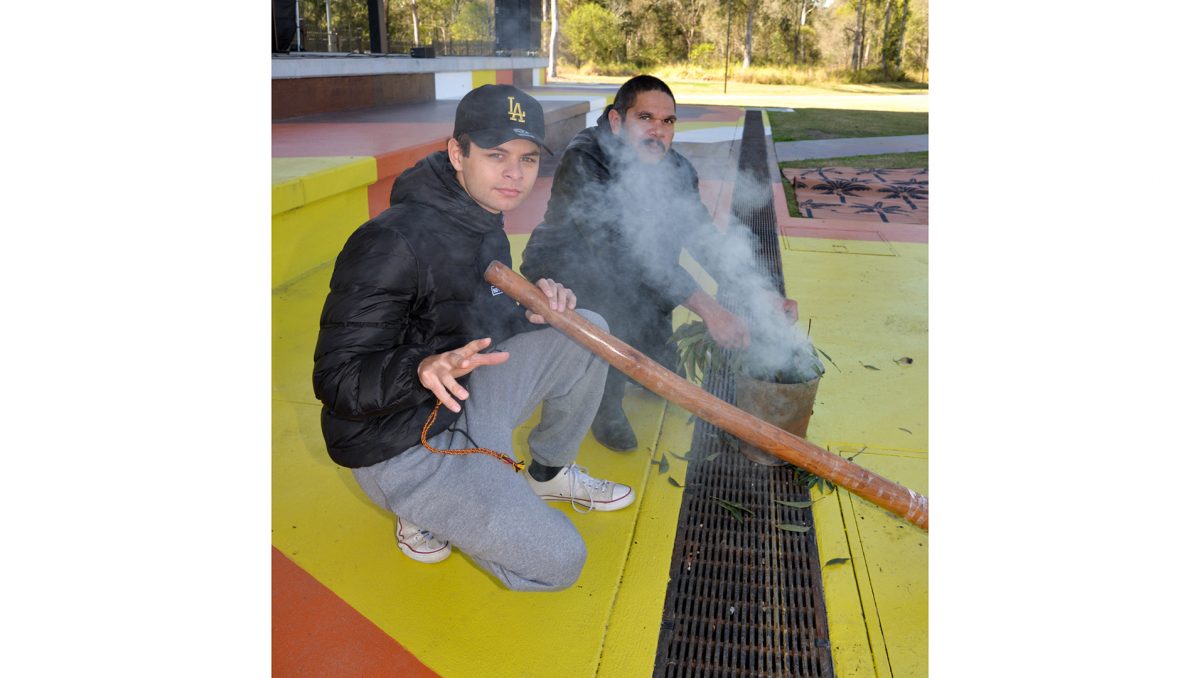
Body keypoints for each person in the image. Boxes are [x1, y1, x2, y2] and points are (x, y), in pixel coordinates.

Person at [312, 84, 635, 592]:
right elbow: (338, 379)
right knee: (561, 562)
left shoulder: (483, 223)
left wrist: (526, 313)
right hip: (400, 442)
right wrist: (420, 368)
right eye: (496, 155)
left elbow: (471, 325)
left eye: (528, 158)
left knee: (586, 328)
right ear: (457, 153)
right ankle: (420, 508)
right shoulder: (389, 242)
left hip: (464, 400)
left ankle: (546, 474)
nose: (515, 173)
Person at [520, 75, 797, 452]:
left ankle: (646, 352)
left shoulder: (677, 169)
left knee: (662, 367)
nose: (658, 131)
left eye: (668, 122)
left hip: (636, 274)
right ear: (617, 122)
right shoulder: (584, 158)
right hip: (568, 271)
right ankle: (604, 402)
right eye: (646, 118)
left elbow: (701, 235)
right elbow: (620, 251)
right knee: (612, 286)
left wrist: (760, 294)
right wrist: (709, 309)